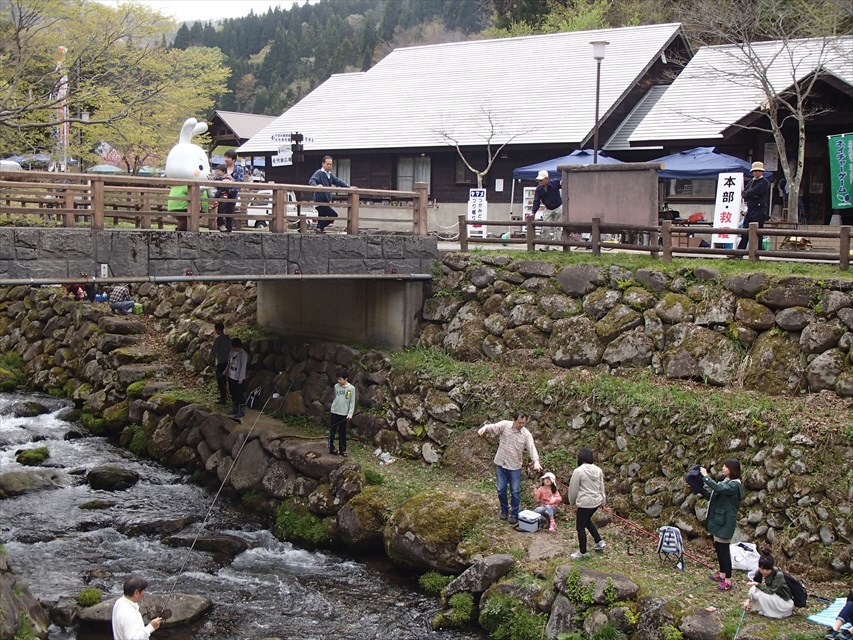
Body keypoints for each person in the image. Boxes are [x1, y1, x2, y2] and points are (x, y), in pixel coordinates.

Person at [477, 411, 542, 525]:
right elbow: (494, 427)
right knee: (501, 489)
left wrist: (536, 462)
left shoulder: (526, 434)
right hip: (501, 464)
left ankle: (515, 514)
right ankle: (504, 510)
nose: (521, 425)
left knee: (515, 491)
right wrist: (485, 428)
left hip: (515, 466)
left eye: (523, 423)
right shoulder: (505, 425)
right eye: (519, 422)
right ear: (513, 419)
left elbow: (532, 448)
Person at [699, 459, 744, 592]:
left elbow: (718, 489)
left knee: (724, 550)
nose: (723, 468)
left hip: (725, 522)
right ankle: (722, 573)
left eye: (726, 467)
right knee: (718, 547)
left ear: (732, 469)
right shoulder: (726, 482)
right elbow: (713, 494)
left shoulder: (734, 485)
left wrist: (706, 477)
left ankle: (728, 580)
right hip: (719, 520)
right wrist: (698, 488)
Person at [567, 447, 606, 558]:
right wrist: (603, 500)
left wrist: (571, 501)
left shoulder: (578, 471)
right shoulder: (598, 470)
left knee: (580, 527)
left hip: (584, 503)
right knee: (587, 521)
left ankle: (582, 552)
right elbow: (601, 486)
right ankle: (599, 541)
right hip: (596, 502)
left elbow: (573, 488)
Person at [743, 549, 794, 619]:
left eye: (767, 569)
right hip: (774, 597)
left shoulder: (778, 575)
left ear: (771, 568)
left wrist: (757, 584)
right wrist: (748, 600)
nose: (764, 571)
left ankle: (770, 612)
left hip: (784, 602)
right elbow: (755, 588)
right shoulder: (759, 573)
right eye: (762, 569)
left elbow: (770, 591)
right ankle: (761, 608)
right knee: (754, 589)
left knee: (760, 595)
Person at [111, 575, 162, 640]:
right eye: (143, 590)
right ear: (137, 592)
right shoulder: (129, 614)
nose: (144, 593)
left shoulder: (119, 602)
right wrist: (151, 627)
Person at [309, 155, 350, 233]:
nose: (329, 166)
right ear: (323, 164)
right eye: (327, 164)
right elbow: (312, 180)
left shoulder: (329, 175)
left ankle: (319, 229)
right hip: (320, 200)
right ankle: (319, 227)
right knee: (333, 215)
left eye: (330, 164)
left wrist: (348, 187)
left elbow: (338, 181)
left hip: (326, 201)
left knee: (322, 217)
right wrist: (316, 186)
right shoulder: (319, 173)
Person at [737, 161, 770, 252]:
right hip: (750, 209)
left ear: (762, 172)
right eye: (755, 171)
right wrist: (750, 194)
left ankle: (758, 252)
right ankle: (740, 251)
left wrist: (750, 194)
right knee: (745, 230)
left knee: (758, 232)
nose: (757, 172)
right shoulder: (751, 181)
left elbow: (754, 191)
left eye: (759, 171)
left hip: (759, 209)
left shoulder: (764, 182)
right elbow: (745, 193)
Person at [328, 369, 356, 456]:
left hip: (344, 413)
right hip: (335, 411)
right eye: (338, 379)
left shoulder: (351, 388)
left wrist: (350, 414)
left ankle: (342, 450)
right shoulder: (336, 386)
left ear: (346, 378)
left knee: (342, 432)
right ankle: (331, 448)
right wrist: (333, 408)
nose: (338, 381)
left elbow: (352, 402)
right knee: (332, 431)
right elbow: (336, 398)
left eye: (340, 379)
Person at [529, 169, 563, 242]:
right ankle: (545, 245)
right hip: (548, 208)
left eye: (541, 180)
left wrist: (562, 182)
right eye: (539, 180)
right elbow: (536, 201)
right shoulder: (538, 189)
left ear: (546, 179)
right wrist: (533, 212)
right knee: (545, 227)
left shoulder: (555, 182)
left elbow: (562, 183)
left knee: (558, 227)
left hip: (558, 207)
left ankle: (556, 246)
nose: (539, 182)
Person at [217, 150, 243, 232]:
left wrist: (230, 190)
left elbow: (239, 182)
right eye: (225, 157)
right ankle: (220, 224)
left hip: (232, 193)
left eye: (228, 157)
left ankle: (229, 230)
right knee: (222, 206)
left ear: (233, 159)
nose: (225, 159)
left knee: (230, 212)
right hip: (222, 192)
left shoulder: (238, 169)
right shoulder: (222, 168)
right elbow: (216, 178)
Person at [211, 321, 231, 405]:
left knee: (220, 381)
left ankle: (223, 398)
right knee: (225, 380)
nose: (215, 331)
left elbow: (213, 351)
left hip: (220, 362)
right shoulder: (228, 338)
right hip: (227, 361)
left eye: (216, 329)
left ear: (218, 330)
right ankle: (224, 396)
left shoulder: (218, 340)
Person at [227, 337, 248, 419]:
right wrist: (227, 370)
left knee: (240, 394)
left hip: (239, 377)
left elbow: (243, 367)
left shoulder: (243, 354)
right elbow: (230, 361)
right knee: (233, 392)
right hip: (231, 375)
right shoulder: (232, 352)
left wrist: (241, 378)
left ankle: (242, 410)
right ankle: (235, 408)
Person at [211, 164, 235, 232]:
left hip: (228, 196)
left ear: (223, 171)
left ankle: (225, 226)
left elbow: (227, 184)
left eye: (219, 171)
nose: (217, 173)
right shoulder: (217, 177)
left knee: (226, 211)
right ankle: (221, 224)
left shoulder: (228, 177)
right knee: (222, 208)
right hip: (221, 196)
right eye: (217, 171)